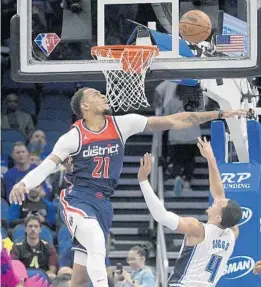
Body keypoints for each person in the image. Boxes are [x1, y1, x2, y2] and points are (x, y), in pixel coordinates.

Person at [9, 87, 247, 287]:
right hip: (78, 198)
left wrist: (218, 113)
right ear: (84, 107)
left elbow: (174, 120)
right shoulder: (72, 137)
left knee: (79, 280)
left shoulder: (122, 124)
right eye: (95, 94)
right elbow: (47, 167)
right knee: (93, 236)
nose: (102, 95)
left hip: (103, 204)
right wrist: (24, 182)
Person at [137, 140, 242, 287]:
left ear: (219, 217)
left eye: (221, 203)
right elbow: (219, 195)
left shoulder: (197, 229)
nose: (218, 200)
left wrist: (143, 181)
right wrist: (210, 159)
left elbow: (161, 216)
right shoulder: (232, 234)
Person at [11, 216, 58, 281]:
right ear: (25, 229)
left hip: (42, 277)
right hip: (22, 278)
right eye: (30, 226)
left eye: (36, 226)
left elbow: (52, 270)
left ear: (40, 229)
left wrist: (37, 276)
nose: (33, 229)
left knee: (52, 276)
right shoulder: (17, 246)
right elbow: (13, 268)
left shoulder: (48, 246)